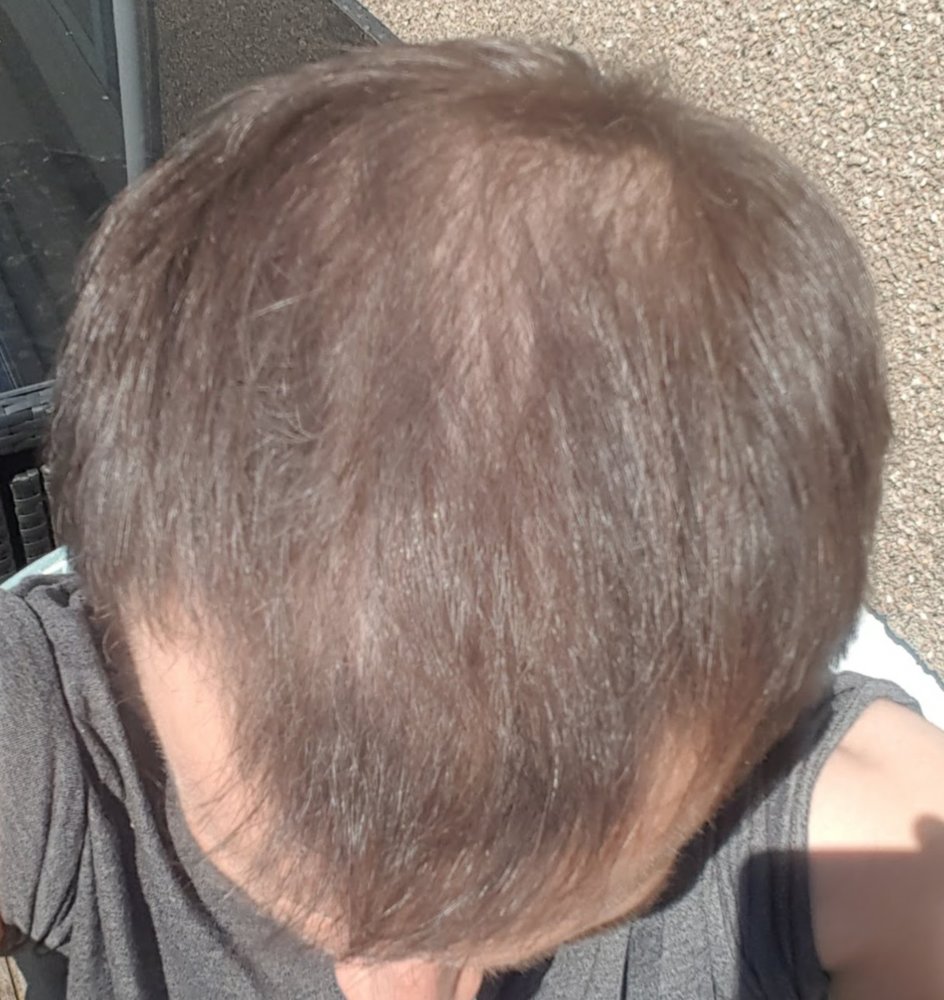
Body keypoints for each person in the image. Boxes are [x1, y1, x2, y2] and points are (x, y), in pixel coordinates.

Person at [0, 38, 941, 1000]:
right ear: (127, 618)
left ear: (747, 735)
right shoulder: (62, 728)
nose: (398, 993)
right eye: (274, 879)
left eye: (534, 917)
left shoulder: (833, 830)